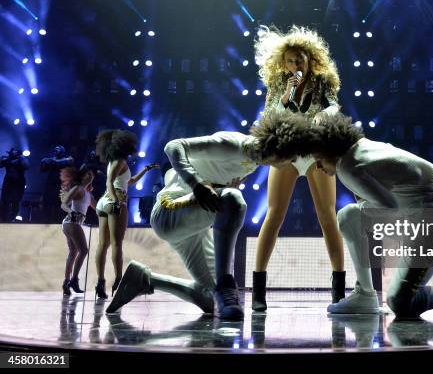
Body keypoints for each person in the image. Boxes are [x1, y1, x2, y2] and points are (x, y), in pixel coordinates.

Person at [105, 112, 312, 320]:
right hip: (169, 213)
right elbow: (173, 146)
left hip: (194, 228)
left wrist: (215, 186)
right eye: (293, 157)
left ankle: (145, 280)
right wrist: (197, 185)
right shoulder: (234, 144)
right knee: (233, 199)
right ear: (282, 148)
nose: (292, 163)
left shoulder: (255, 159)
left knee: (206, 299)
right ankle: (225, 284)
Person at [304, 114, 433, 316]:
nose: (318, 166)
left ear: (328, 148)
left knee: (401, 302)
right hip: (425, 216)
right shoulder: (361, 148)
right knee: (350, 216)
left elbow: (389, 207)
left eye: (317, 158)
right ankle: (365, 295)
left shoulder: (348, 167)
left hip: (432, 222)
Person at [250, 25, 346, 311]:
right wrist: (284, 96)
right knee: (274, 215)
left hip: (316, 150)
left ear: (309, 58)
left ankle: (338, 292)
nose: (295, 65)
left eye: (300, 59)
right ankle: (258, 291)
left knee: (328, 216)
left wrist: (322, 115)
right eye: (291, 60)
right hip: (288, 152)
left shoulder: (322, 80)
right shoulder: (279, 84)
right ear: (283, 62)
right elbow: (269, 115)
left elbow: (333, 106)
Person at [93, 129, 159, 299]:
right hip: (113, 201)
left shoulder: (114, 161)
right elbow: (109, 183)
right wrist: (117, 200)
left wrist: (145, 170)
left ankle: (100, 282)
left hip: (103, 202)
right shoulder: (119, 160)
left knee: (103, 244)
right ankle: (119, 281)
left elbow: (127, 182)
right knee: (116, 244)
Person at [59, 167, 97, 295]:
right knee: (84, 250)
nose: (91, 175)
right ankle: (74, 280)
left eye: (92, 174)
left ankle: (66, 282)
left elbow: (98, 209)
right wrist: (72, 212)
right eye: (88, 173)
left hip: (71, 223)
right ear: (83, 176)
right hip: (71, 222)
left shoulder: (88, 194)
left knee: (73, 252)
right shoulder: (77, 189)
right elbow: (64, 204)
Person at [41, 146, 74, 223]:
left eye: (58, 149)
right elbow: (43, 169)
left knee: (59, 204)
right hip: (50, 184)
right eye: (55, 149)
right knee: (48, 203)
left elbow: (60, 163)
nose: (56, 150)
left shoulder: (68, 160)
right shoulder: (51, 160)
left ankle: (58, 222)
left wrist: (49, 161)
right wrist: (44, 162)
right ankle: (47, 221)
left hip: (61, 185)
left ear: (62, 151)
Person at [0, 148, 29, 222]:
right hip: (8, 183)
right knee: (4, 201)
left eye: (16, 150)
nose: (14, 152)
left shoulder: (22, 159)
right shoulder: (7, 159)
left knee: (15, 202)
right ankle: (4, 219)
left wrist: (21, 158)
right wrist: (2, 159)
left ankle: (12, 218)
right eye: (13, 150)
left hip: (18, 183)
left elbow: (26, 166)